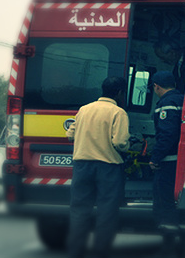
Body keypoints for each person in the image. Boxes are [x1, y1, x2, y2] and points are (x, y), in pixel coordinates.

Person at [66, 77, 130, 258]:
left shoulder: (84, 110)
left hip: (82, 165)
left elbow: (70, 135)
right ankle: (100, 252)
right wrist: (128, 146)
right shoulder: (118, 113)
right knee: (106, 212)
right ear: (119, 93)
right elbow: (120, 142)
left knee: (79, 210)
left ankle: (75, 252)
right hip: (108, 167)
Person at [148, 71, 185, 257]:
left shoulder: (166, 103)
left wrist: (154, 157)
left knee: (165, 204)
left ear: (157, 86)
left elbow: (167, 135)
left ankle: (168, 250)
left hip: (169, 163)